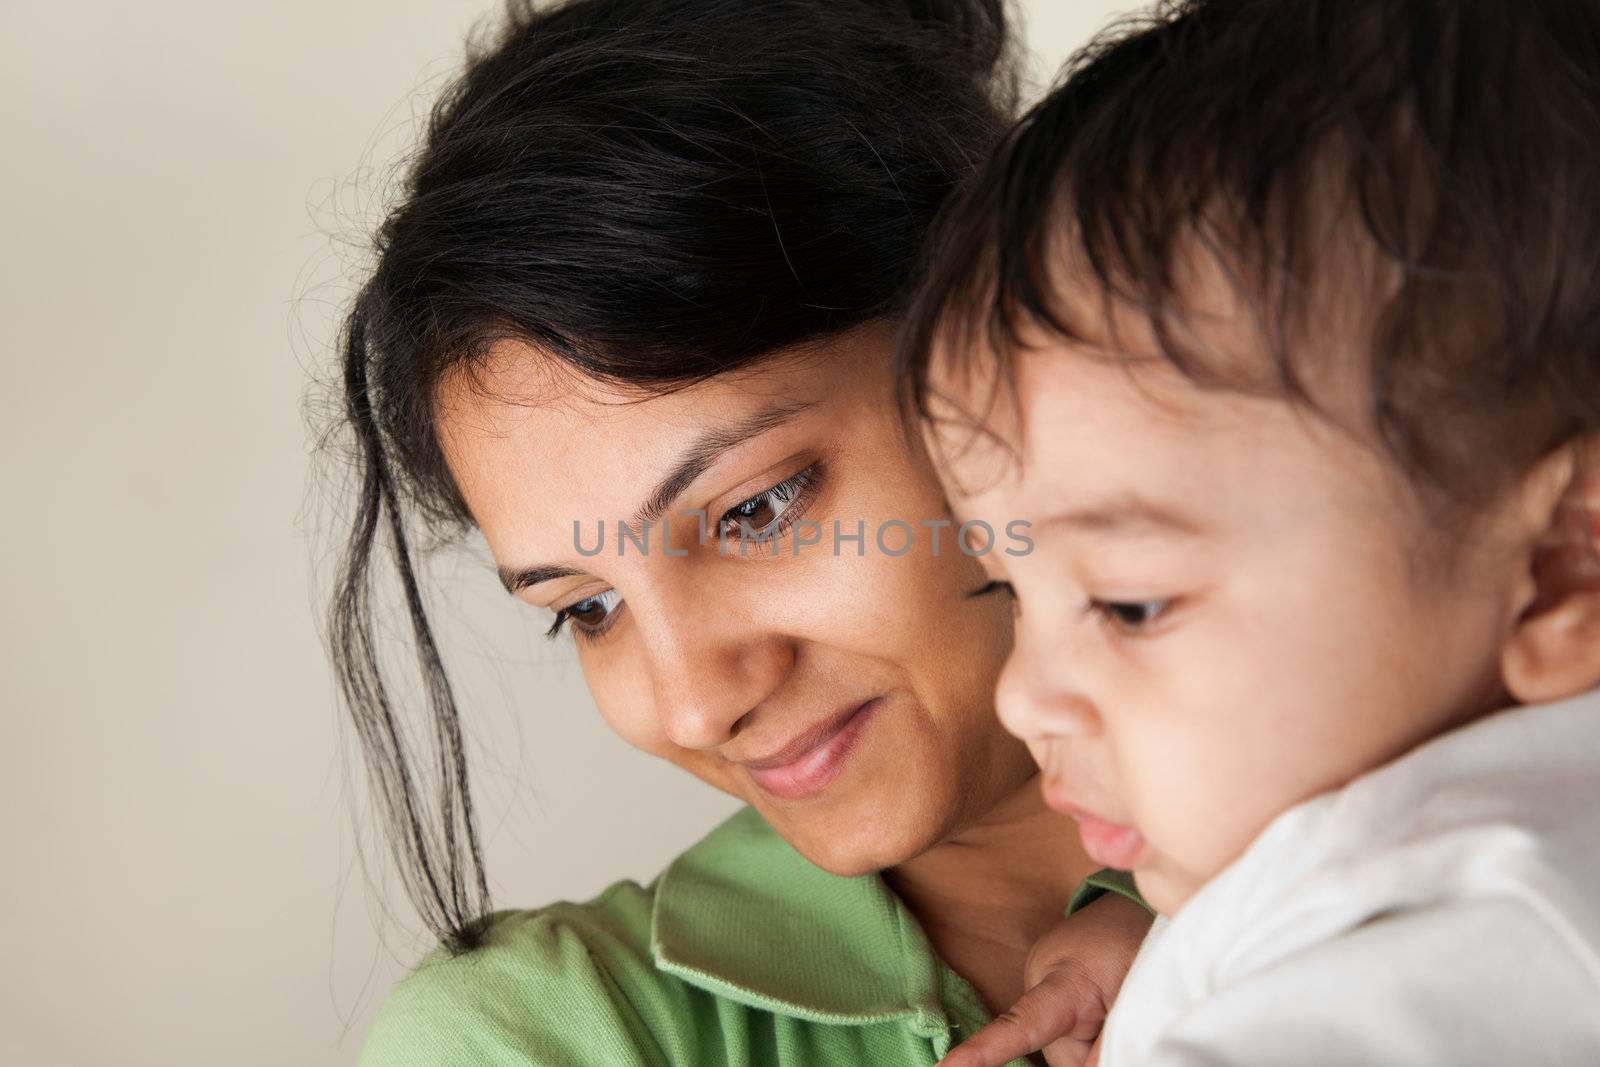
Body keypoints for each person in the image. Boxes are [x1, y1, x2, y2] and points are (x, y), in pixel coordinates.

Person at [324, 2, 1151, 1064]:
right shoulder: (553, 1036)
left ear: (1005, 345)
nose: (698, 701)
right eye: (588, 606)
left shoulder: (1399, 803)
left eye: (755, 508)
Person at [897, 1, 1600, 1064]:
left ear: (1561, 567)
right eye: (1008, 587)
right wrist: (1177, 956)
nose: (1021, 694)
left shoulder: (1474, 943)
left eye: (1130, 602)